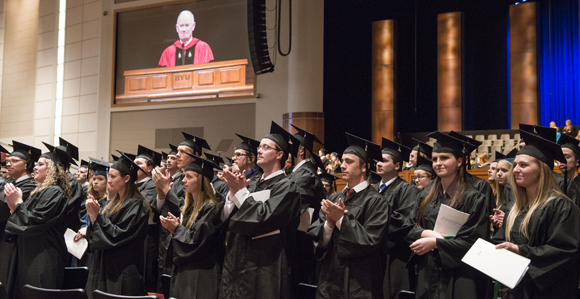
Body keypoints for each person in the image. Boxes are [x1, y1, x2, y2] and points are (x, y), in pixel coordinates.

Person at [492, 130, 580, 298]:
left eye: (523, 165)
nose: (515, 169)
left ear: (542, 169)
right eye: (516, 164)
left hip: (548, 290)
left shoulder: (560, 206)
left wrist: (520, 250)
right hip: (517, 287)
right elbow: (502, 240)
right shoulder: (515, 207)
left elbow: (564, 250)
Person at [219, 121, 302, 299]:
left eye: (266, 147)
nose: (259, 150)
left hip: (266, 265)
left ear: (280, 154)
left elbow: (264, 219)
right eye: (259, 147)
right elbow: (227, 220)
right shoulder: (252, 182)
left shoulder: (287, 188)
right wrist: (232, 194)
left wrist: (240, 193)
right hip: (236, 259)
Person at [405, 132, 489, 299]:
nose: (438, 163)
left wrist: (436, 243)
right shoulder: (425, 195)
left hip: (459, 274)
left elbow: (474, 241)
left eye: (444, 158)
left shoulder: (473, 197)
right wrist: (426, 234)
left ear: (459, 161)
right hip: (427, 271)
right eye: (435, 159)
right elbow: (408, 227)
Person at [308, 133, 389, 298]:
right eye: (342, 161)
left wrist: (340, 219)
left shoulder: (376, 201)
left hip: (360, 284)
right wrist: (329, 225)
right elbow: (320, 243)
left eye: (349, 162)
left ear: (365, 167)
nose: (342, 166)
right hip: (329, 281)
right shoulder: (333, 198)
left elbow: (370, 241)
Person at [5, 145, 72, 298]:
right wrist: (13, 207)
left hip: (44, 256)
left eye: (40, 164)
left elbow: (34, 221)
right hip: (31, 253)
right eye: (36, 164)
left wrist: (18, 204)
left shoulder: (54, 192)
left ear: (52, 170)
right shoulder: (42, 191)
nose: (35, 167)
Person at [85, 153, 151, 298]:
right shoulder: (111, 203)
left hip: (122, 269)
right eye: (109, 176)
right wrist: (93, 217)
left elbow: (118, 235)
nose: (109, 180)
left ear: (126, 178)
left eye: (113, 176)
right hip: (103, 267)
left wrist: (98, 216)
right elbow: (94, 238)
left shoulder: (137, 205)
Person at [160, 156, 224, 299]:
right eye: (184, 176)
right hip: (184, 272)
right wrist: (173, 229)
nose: (183, 180)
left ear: (202, 181)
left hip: (202, 275)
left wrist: (177, 229)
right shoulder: (189, 209)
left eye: (189, 177)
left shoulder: (211, 209)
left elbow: (197, 242)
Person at [154, 133, 211, 289]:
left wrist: (166, 190)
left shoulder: (200, 183)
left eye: (182, 152)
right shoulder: (176, 179)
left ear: (195, 156)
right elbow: (162, 209)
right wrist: (160, 194)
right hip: (168, 237)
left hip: (186, 240)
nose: (177, 155)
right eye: (176, 151)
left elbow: (186, 210)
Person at [375, 137, 420, 299]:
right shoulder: (372, 189)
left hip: (395, 255)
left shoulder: (407, 189)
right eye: (378, 161)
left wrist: (372, 231)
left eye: (384, 161)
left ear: (397, 166)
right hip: (373, 253)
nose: (378, 163)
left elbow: (403, 221)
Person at [0, 142, 42, 298]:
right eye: (8, 161)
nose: (9, 164)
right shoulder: (11, 184)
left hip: (14, 242)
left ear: (27, 165)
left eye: (15, 161)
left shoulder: (30, 186)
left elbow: (5, 209)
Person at [288, 124, 326, 286]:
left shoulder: (305, 175)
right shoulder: (299, 173)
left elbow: (290, 208)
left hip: (302, 245)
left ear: (301, 150)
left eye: (289, 147)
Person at [132, 145, 162, 292]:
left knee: (146, 272)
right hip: (134, 234)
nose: (134, 166)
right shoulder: (132, 185)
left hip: (148, 235)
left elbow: (146, 208)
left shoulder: (151, 185)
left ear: (149, 168)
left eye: (139, 164)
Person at [72, 157, 110, 268]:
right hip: (86, 245)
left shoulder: (109, 203)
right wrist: (82, 230)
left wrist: (87, 230)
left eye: (100, 179)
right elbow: (85, 220)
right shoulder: (92, 199)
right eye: (94, 179)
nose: (95, 182)